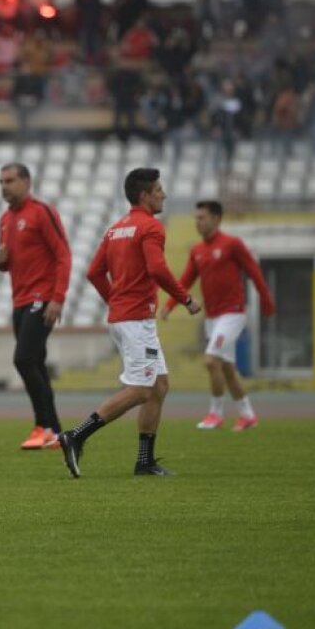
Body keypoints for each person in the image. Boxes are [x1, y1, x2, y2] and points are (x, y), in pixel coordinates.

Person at [59, 168, 200, 478]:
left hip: (125, 317)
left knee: (159, 386)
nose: (164, 195)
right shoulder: (151, 227)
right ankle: (76, 436)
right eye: (159, 190)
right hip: (135, 321)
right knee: (140, 390)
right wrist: (186, 299)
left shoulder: (116, 229)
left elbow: (94, 272)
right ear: (144, 195)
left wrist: (115, 300)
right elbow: (157, 269)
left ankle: (144, 461)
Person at [163, 200, 274, 432]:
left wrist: (266, 299)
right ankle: (247, 415)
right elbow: (186, 280)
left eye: (201, 218)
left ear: (216, 218)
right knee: (226, 369)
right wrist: (171, 304)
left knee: (211, 360)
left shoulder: (232, 244)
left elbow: (254, 271)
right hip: (212, 318)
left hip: (232, 313)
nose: (197, 222)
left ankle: (215, 414)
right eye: (196, 218)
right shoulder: (197, 250)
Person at [0, 163, 71, 449]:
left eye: (10, 180)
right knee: (35, 362)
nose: (4, 186)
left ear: (26, 182)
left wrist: (58, 298)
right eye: (1, 181)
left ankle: (44, 425)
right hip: (20, 300)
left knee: (23, 359)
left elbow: (63, 255)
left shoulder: (41, 212)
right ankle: (55, 432)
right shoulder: (5, 219)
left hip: (42, 297)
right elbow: (8, 262)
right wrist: (0, 262)